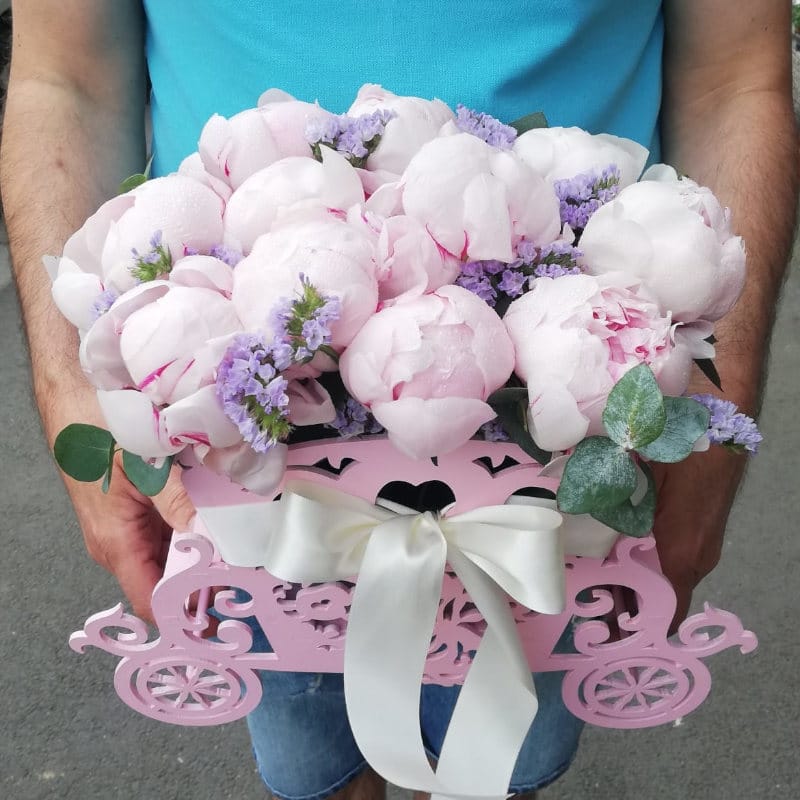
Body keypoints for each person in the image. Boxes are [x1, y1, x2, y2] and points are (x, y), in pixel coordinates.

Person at [1, 2, 797, 799]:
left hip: (575, 413)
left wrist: (712, 421)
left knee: (492, 764)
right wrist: (79, 389)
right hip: (226, 425)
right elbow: (65, 76)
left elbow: (732, 79)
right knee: (315, 754)